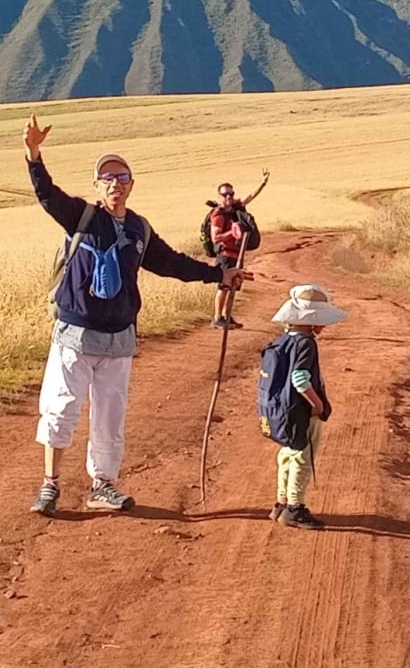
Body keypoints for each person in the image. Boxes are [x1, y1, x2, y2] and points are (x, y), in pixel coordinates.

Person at [23, 114, 250, 516]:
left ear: (131, 184)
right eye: (107, 177)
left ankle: (103, 486)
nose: (115, 183)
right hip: (74, 334)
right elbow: (46, 194)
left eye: (122, 177)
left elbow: (172, 263)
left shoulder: (140, 231)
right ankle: (50, 486)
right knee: (60, 410)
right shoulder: (81, 217)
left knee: (110, 420)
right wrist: (33, 153)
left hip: (119, 339)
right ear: (97, 186)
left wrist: (219, 275)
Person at [263, 283, 346, 530]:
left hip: (283, 411)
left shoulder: (282, 341)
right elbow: (300, 379)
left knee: (288, 454)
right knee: (302, 457)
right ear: (310, 321)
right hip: (302, 411)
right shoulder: (306, 343)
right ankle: (294, 508)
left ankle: (281, 503)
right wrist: (318, 404)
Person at [209, 169, 269, 329]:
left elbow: (250, 196)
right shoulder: (218, 215)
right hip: (225, 255)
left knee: (233, 286)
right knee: (224, 286)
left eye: (231, 194)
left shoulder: (236, 209)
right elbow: (216, 238)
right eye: (225, 194)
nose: (229, 197)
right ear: (219, 196)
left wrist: (262, 183)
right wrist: (232, 232)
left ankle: (227, 316)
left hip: (236, 255)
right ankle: (217, 317)